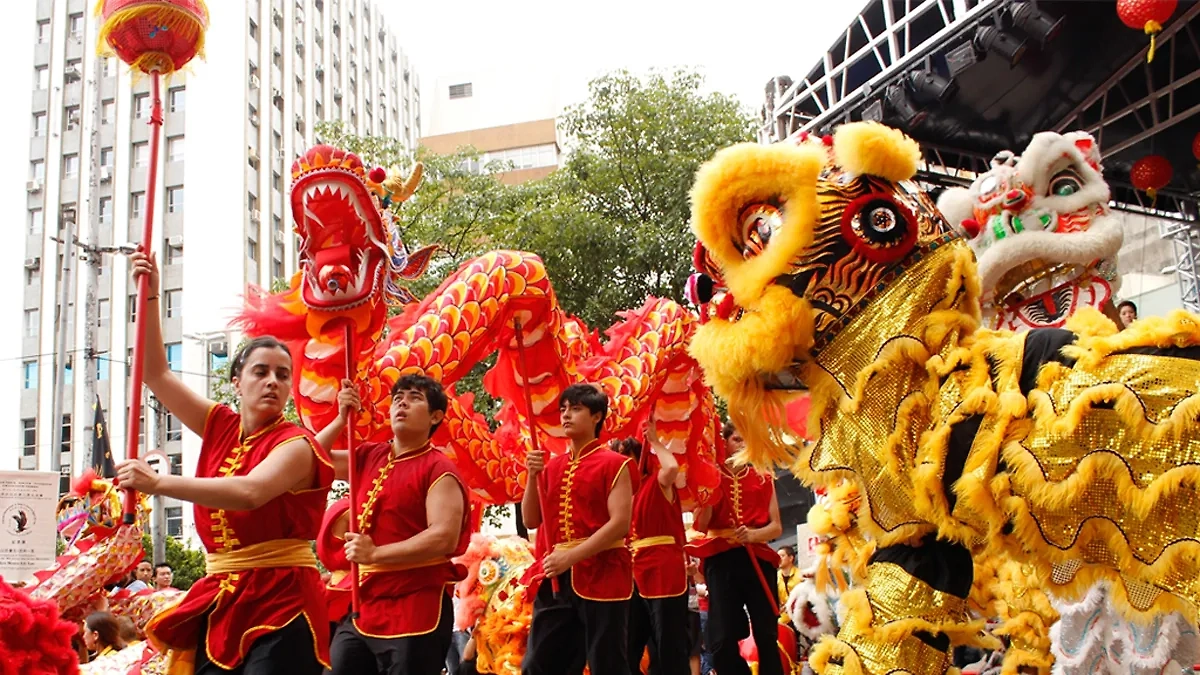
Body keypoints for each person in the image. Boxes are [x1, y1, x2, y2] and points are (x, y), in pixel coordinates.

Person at [116, 251, 334, 675]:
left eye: (283, 375)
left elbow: (250, 492)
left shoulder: (296, 444)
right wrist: (150, 297)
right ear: (236, 381)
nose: (272, 381)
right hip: (224, 593)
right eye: (260, 372)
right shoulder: (219, 423)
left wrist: (158, 484)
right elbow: (156, 375)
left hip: (283, 596)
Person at [317, 375, 470, 675]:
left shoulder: (439, 468)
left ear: (436, 416)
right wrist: (339, 419)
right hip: (364, 603)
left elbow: (444, 537)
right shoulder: (369, 455)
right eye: (398, 397)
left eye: (415, 397)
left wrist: (375, 554)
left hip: (415, 604)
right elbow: (310, 459)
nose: (402, 403)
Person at [520, 383, 636, 675]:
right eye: (563, 409)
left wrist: (571, 557)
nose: (566, 415)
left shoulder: (616, 464)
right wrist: (532, 476)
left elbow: (619, 524)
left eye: (575, 409)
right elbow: (531, 520)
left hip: (604, 574)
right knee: (538, 664)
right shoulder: (551, 466)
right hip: (556, 576)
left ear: (597, 416)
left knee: (607, 664)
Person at [688, 422, 784, 675]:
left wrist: (753, 535)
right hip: (722, 559)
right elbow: (702, 525)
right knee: (720, 638)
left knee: (766, 633)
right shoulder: (712, 477)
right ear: (725, 443)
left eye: (746, 441)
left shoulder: (763, 477)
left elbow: (776, 527)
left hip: (757, 558)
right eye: (737, 440)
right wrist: (709, 493)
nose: (743, 446)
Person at [616, 428, 689, 675]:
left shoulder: (657, 481)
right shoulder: (620, 497)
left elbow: (672, 468)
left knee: (669, 644)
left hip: (662, 570)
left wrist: (655, 441)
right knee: (628, 644)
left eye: (627, 459)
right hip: (632, 573)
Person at [776, 546, 801, 626]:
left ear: (790, 558)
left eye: (782, 556)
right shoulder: (776, 576)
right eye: (777, 556)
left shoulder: (800, 575)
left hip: (800, 612)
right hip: (784, 615)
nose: (779, 559)